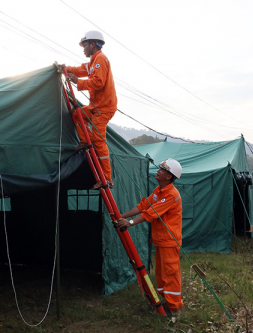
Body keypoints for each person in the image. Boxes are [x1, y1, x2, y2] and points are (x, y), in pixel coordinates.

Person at [114, 158, 184, 314]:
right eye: (160, 168)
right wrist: (120, 216)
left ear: (169, 176)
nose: (159, 171)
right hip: (161, 240)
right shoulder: (158, 191)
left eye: (163, 170)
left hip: (169, 241)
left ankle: (174, 309)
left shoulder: (171, 194)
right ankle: (164, 303)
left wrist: (129, 222)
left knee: (170, 274)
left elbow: (151, 214)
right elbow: (142, 207)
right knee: (161, 274)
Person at [61, 30, 117, 189]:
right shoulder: (93, 62)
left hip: (103, 108)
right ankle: (85, 140)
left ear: (92, 44)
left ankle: (106, 178)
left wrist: (78, 82)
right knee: (77, 114)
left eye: (84, 45)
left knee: (99, 141)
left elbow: (98, 82)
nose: (83, 48)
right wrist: (66, 68)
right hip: (95, 107)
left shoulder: (100, 59)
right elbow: (79, 69)